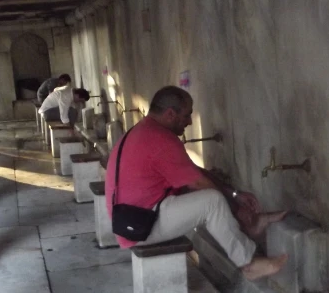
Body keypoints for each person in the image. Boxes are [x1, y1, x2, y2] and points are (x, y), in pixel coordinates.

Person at [105, 86, 288, 281]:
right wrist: (237, 208)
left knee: (212, 197)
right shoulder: (160, 139)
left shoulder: (145, 131)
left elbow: (195, 172)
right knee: (212, 202)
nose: (190, 121)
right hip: (140, 227)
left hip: (134, 219)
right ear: (170, 114)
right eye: (187, 115)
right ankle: (249, 264)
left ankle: (250, 226)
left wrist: (235, 194)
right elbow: (201, 185)